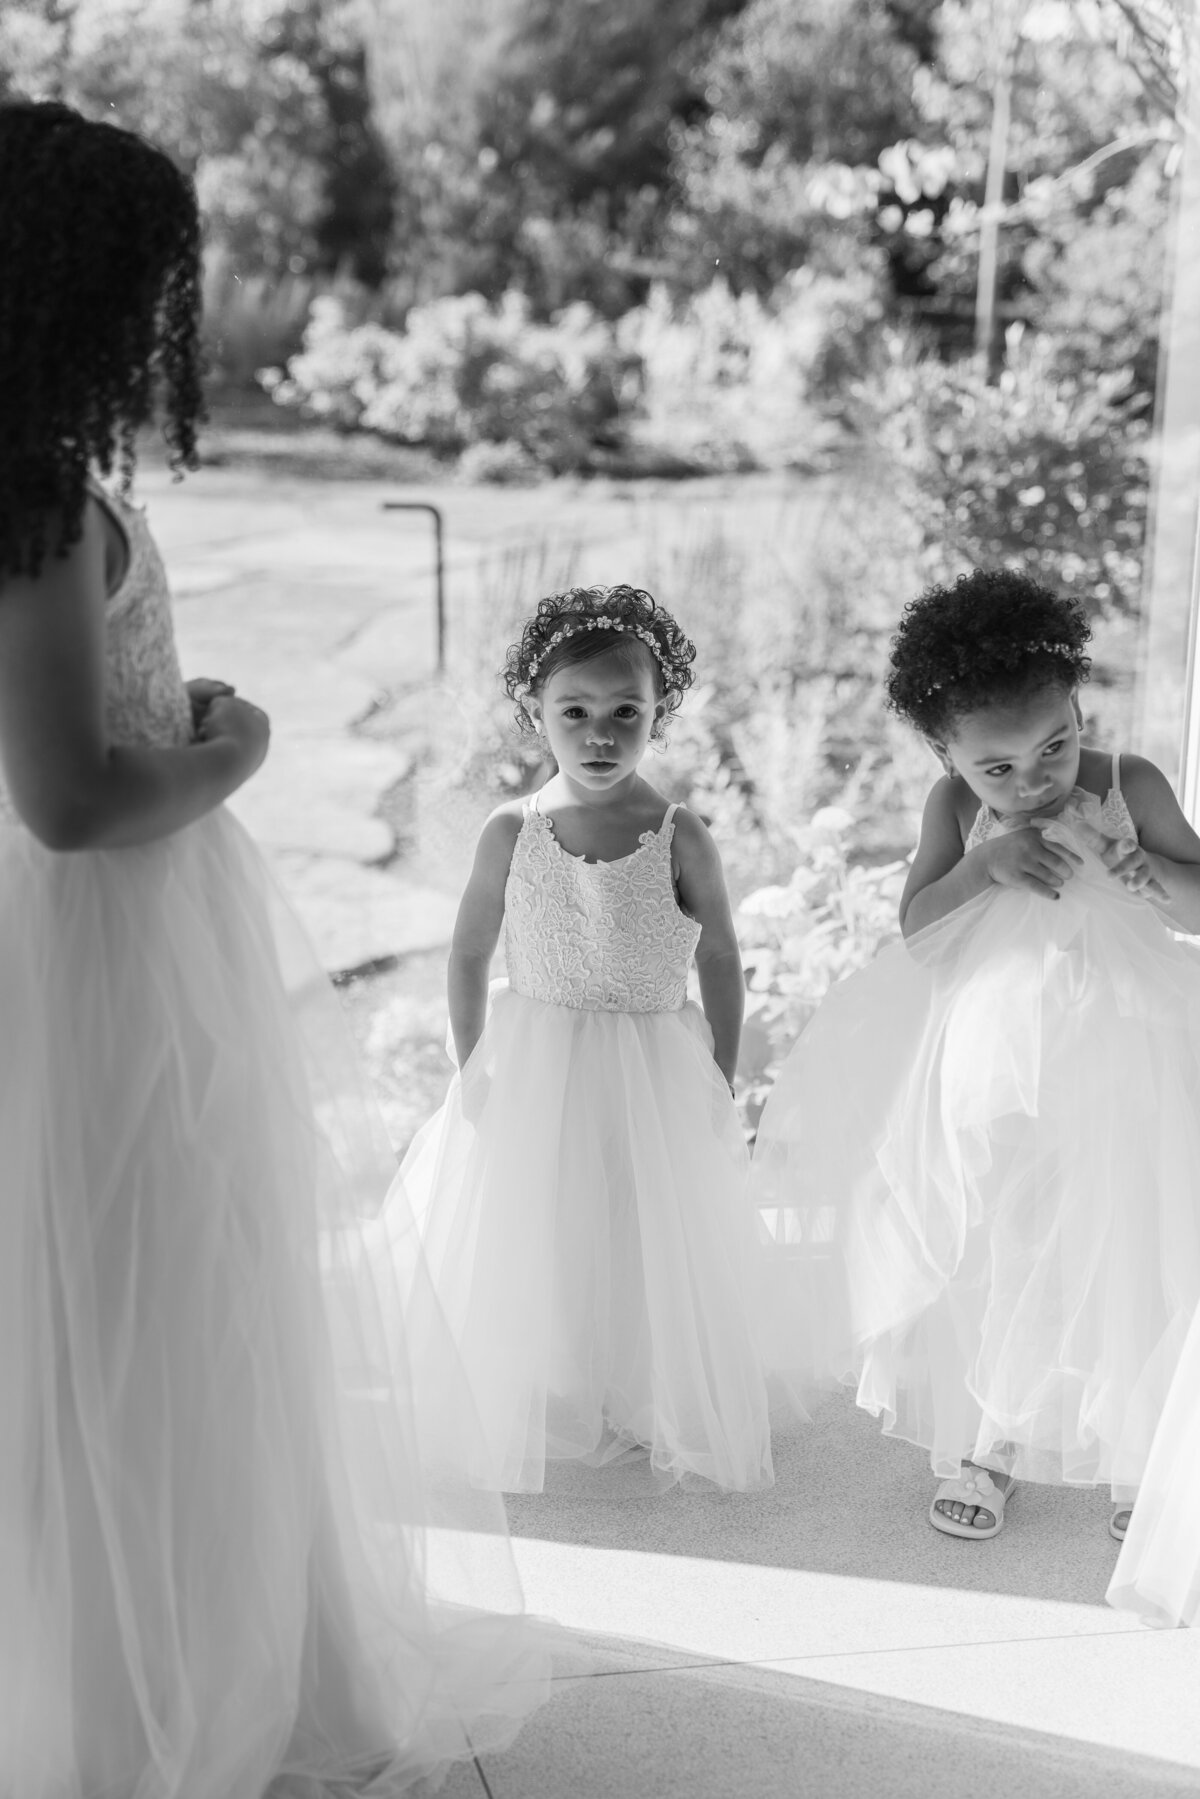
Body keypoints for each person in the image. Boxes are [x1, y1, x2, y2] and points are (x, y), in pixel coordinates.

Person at [0, 99, 552, 1799]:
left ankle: (121, 1658)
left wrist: (163, 700)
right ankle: (140, 1694)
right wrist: (232, 747)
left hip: (102, 943)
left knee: (111, 1311)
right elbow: (71, 801)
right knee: (145, 1306)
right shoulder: (36, 503)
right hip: (105, 951)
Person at [752, 568, 1200, 1542]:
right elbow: (920, 930)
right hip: (995, 1072)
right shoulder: (955, 808)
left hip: (1126, 1062)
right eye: (998, 767)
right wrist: (985, 862)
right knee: (1001, 1245)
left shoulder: (1128, 784)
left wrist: (1144, 869)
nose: (1033, 782)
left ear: (1079, 707)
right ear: (946, 753)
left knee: (1126, 1246)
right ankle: (992, 1439)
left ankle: (1135, 1456)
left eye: (1055, 746)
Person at [389, 583, 800, 1495]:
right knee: (542, 1221)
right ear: (536, 711)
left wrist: (719, 1072)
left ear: (660, 714)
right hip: (538, 1062)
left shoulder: (680, 835)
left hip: (652, 1066)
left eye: (626, 713)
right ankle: (553, 1379)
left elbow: (720, 953)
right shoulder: (511, 829)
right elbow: (469, 949)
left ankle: (644, 1384)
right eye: (575, 712)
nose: (601, 734)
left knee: (643, 1226)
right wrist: (472, 1065)